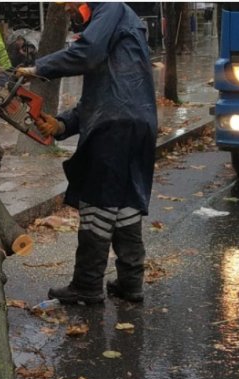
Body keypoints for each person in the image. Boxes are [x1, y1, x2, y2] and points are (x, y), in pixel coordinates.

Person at [16, 2, 157, 304]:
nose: (66, 9)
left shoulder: (110, 8)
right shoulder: (120, 20)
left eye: (66, 2)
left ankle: (87, 285)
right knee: (125, 203)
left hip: (114, 127)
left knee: (97, 202)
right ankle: (131, 283)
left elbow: (88, 54)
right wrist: (62, 124)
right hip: (137, 123)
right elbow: (105, 92)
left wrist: (38, 68)